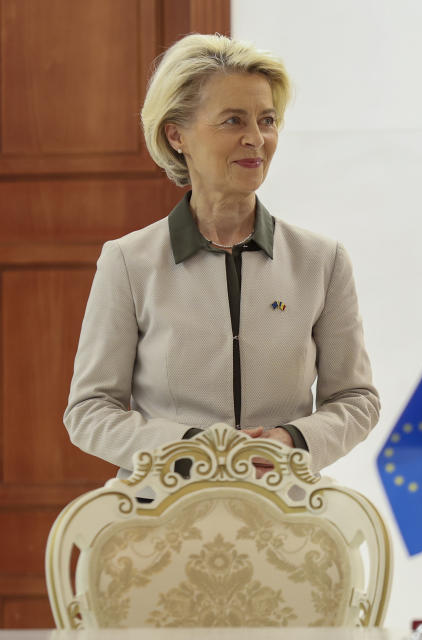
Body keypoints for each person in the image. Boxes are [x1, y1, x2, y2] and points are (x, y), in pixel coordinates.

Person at [64, 34, 379, 479]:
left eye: (267, 120)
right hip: (163, 521)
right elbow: (90, 412)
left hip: (286, 519)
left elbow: (356, 400)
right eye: (233, 121)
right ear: (177, 135)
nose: (256, 139)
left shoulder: (322, 261)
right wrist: (191, 446)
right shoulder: (128, 263)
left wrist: (292, 440)